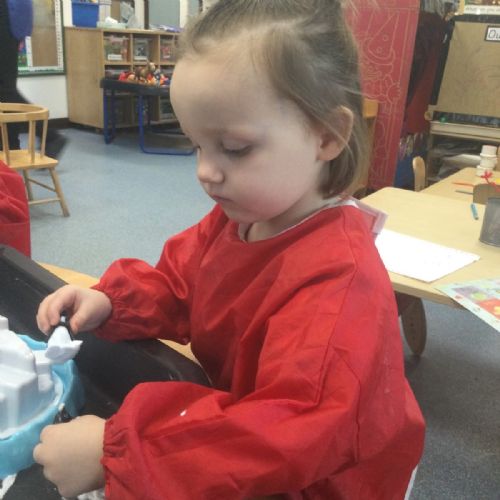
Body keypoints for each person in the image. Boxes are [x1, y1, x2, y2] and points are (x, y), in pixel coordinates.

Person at [34, 1, 425, 498]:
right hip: (244, 431)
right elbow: (179, 284)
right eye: (196, 145)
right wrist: (112, 301)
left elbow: (290, 430)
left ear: (328, 135)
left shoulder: (339, 283)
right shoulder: (239, 220)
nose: (205, 171)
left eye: (235, 149)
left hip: (328, 479)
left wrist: (117, 452)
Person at [0, 0, 66, 157]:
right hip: (11, 12)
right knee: (5, 88)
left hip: (7, 11)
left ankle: (48, 136)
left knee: (5, 89)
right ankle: (11, 147)